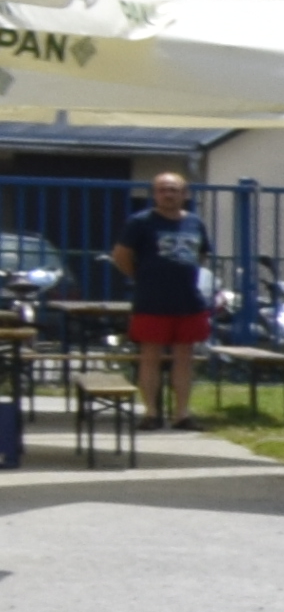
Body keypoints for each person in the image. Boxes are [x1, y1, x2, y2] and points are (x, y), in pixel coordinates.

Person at [115, 163, 216, 429]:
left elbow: (202, 254)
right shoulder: (140, 222)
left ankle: (182, 414)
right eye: (162, 190)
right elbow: (121, 255)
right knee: (150, 357)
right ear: (154, 194)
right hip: (152, 300)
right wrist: (140, 276)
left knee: (184, 358)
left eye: (173, 190)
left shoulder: (195, 222)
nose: (167, 194)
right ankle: (151, 413)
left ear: (185, 194)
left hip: (188, 301)